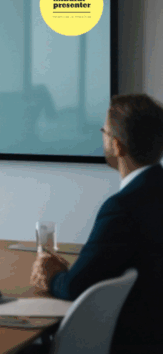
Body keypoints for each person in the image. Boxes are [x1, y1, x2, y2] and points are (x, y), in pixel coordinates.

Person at [31, 93, 163, 353]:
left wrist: (51, 276)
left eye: (103, 131)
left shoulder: (122, 209)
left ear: (117, 145)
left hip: (123, 341)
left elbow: (75, 287)